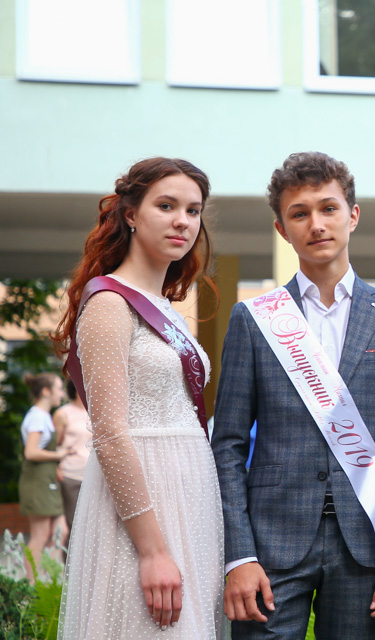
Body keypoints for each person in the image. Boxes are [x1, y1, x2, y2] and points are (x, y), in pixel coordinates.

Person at [212, 151, 375, 640]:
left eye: (329, 208)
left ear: (353, 215)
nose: (316, 224)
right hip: (271, 542)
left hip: (364, 540)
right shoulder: (254, 319)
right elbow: (226, 445)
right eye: (299, 213)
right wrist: (239, 555)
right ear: (281, 229)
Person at [53, 157, 225, 638]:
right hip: (142, 506)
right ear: (130, 214)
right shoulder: (109, 303)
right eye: (166, 206)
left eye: (193, 210)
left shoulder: (166, 308)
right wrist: (152, 551)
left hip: (190, 499)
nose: (182, 221)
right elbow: (109, 433)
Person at [19, 372, 69, 581]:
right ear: (46, 391)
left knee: (61, 530)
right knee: (39, 536)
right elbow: (31, 452)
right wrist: (58, 455)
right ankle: (33, 586)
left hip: (47, 481)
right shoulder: (38, 417)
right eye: (59, 389)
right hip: (37, 482)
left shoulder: (44, 416)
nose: (62, 394)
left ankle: (50, 579)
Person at [54, 378, 91, 540]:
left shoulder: (95, 412)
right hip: (71, 475)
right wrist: (56, 468)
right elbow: (53, 445)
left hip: (94, 475)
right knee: (74, 525)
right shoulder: (63, 413)